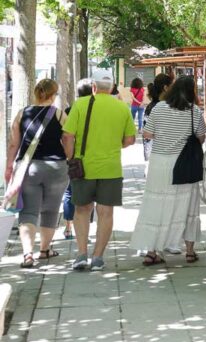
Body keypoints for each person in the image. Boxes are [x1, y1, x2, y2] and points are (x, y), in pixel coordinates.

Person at [62, 75, 136, 271]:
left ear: (94, 87)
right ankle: (98, 257)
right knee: (106, 212)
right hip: (111, 167)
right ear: (112, 88)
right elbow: (130, 140)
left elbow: (68, 135)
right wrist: (113, 145)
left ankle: (81, 254)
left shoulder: (80, 104)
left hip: (84, 167)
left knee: (81, 210)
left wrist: (70, 157)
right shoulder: (121, 107)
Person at [130, 76, 206, 266]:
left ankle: (151, 251)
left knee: (156, 206)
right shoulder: (194, 111)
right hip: (185, 165)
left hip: (159, 163)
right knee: (188, 206)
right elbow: (201, 137)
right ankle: (189, 251)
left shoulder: (159, 108)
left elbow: (147, 133)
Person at [5, 79, 69, 267]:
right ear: (53, 94)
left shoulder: (21, 114)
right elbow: (67, 138)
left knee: (28, 212)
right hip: (56, 167)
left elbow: (13, 144)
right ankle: (44, 249)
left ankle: (27, 254)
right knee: (50, 210)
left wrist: (9, 166)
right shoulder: (59, 115)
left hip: (28, 167)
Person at [61, 79, 96, 240]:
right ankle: (84, 231)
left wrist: (70, 157)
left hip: (73, 157)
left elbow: (66, 136)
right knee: (88, 195)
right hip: (93, 157)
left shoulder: (69, 110)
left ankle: (68, 227)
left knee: (70, 192)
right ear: (93, 91)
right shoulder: (98, 109)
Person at [143, 74, 173, 162]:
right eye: (172, 86)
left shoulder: (151, 106)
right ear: (165, 88)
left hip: (152, 153)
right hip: (160, 154)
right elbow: (148, 134)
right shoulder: (164, 107)